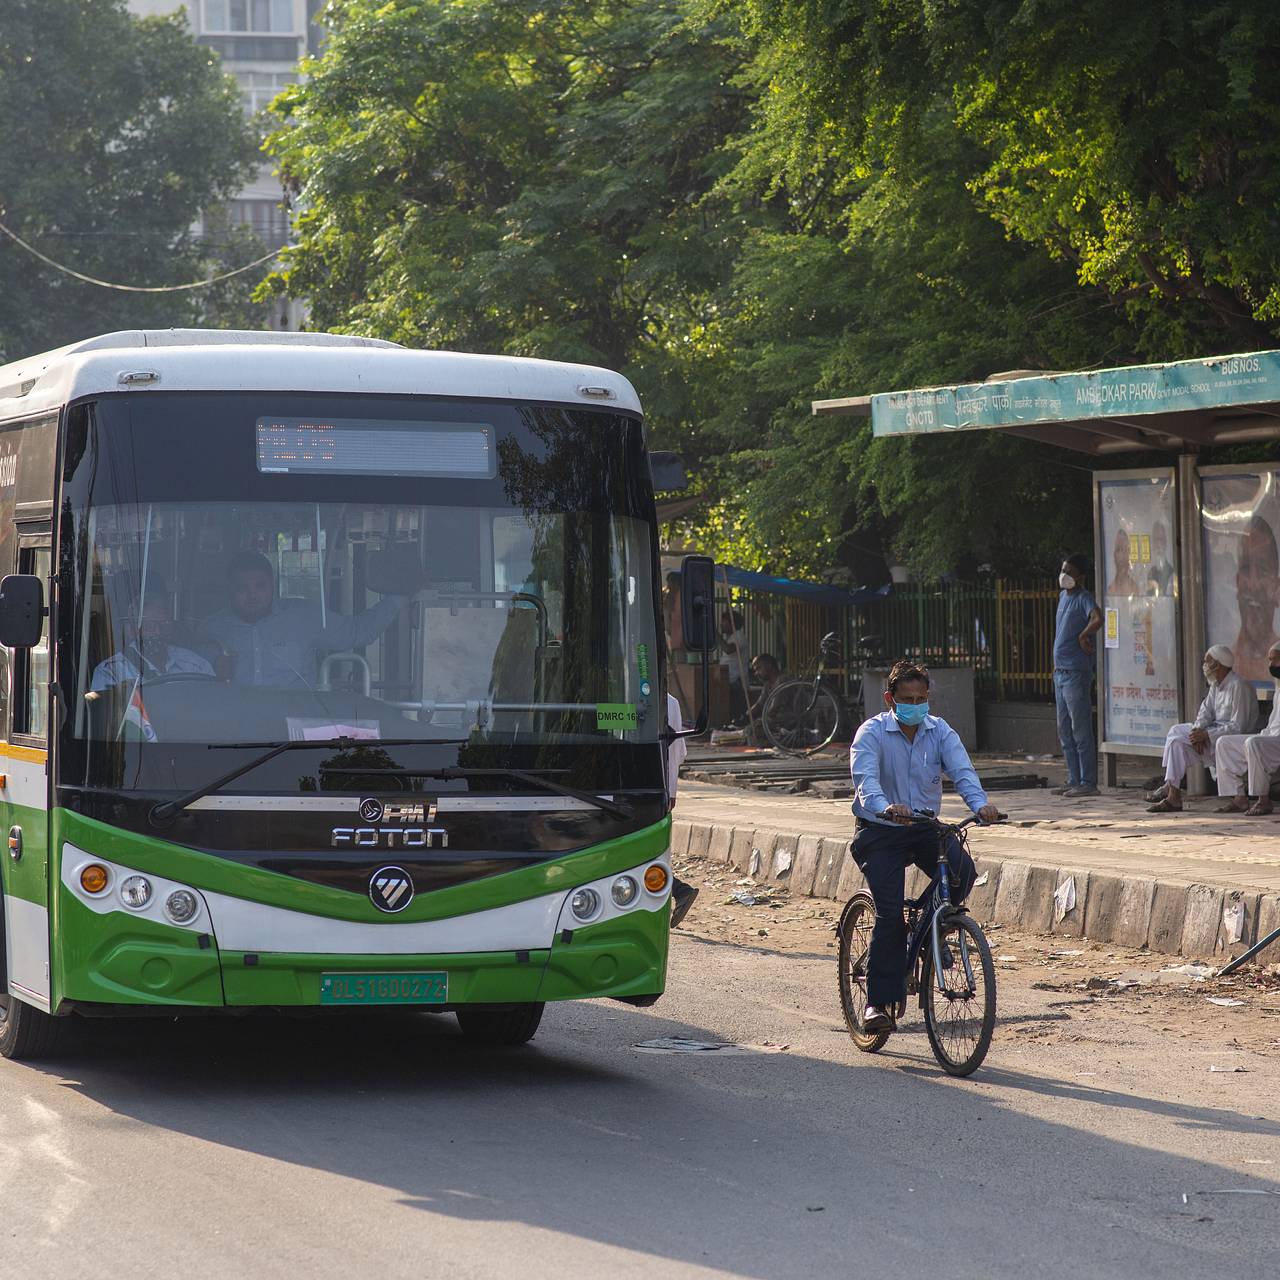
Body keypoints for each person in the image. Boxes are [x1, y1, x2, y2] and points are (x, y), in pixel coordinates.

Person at [850, 659, 999, 1033]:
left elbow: (962, 771)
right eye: (907, 698)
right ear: (890, 698)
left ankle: (931, 928)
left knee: (963, 873)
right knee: (889, 916)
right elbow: (866, 781)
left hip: (924, 828)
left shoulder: (939, 731)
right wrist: (885, 806)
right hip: (880, 829)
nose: (915, 705)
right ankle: (877, 1004)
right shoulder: (871, 733)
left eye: (921, 698)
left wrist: (980, 805)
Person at [199, 550, 408, 689]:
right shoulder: (211, 630)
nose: (252, 596)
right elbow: (191, 685)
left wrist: (401, 596)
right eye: (242, 588)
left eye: (260, 586)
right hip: (234, 732)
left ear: (273, 585)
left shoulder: (303, 616)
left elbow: (358, 632)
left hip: (294, 732)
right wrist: (212, 676)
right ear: (230, 590)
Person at [1146, 645, 1255, 813]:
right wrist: (1195, 734)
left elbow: (1237, 726)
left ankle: (1170, 787)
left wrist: (1206, 735)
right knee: (1176, 736)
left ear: (1218, 664)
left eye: (1208, 661)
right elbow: (1204, 713)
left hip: (1230, 740)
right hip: (1212, 737)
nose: (1204, 664)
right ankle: (1173, 794)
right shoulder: (1215, 686)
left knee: (1178, 740)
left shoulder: (1239, 686)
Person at [91, 578, 214, 692]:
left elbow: (213, 703)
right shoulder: (110, 671)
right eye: (149, 625)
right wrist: (124, 695)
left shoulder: (196, 665)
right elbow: (104, 711)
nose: (157, 632)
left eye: (164, 625)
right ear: (133, 630)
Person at [1052, 554, 1103, 798]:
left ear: (1081, 576)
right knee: (1064, 729)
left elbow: (1097, 618)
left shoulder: (1084, 598)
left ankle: (1088, 781)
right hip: (1059, 673)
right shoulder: (1063, 596)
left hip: (1076, 673)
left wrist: (1084, 636)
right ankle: (1073, 778)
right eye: (1063, 570)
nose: (1065, 576)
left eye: (1070, 572)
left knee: (1080, 729)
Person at [1215, 641, 1280, 816]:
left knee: (1254, 743)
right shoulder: (1278, 684)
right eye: (1269, 660)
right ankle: (1239, 798)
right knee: (1224, 743)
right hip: (1272, 736)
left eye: (1274, 660)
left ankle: (1263, 800)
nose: (1271, 665)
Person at [1231, 515, 1280, 684]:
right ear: (1237, 582)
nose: (1253, 584)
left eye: (1263, 570)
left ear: (1277, 587)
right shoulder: (1226, 666)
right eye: (1246, 568)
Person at [665, 691, 699, 928]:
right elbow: (679, 752)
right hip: (659, 791)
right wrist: (671, 790)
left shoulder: (666, 702)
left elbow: (674, 749)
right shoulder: (671, 702)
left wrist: (670, 791)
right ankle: (679, 890)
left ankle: (679, 889)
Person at [742, 652, 782, 738]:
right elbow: (760, 704)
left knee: (754, 730)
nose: (756, 673)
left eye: (759, 668)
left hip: (788, 720)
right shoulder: (767, 684)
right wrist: (746, 716)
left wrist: (760, 721)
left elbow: (773, 709)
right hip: (776, 721)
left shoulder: (782, 681)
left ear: (769, 665)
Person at [718, 608, 748, 723]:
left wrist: (715, 635)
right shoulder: (730, 637)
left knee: (736, 711)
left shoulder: (739, 637)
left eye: (724, 622)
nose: (721, 625)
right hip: (729, 679)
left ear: (732, 623)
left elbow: (728, 649)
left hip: (737, 681)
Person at [1107, 529, 1141, 597]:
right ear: (1114, 555)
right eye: (1118, 549)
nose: (1121, 555)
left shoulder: (1135, 589)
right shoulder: (1110, 589)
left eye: (1124, 550)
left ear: (1129, 554)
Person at [1146, 522, 1174, 597]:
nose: (1158, 544)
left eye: (1161, 539)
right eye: (1156, 540)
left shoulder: (1171, 573)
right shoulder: (1150, 572)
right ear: (1152, 543)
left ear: (1165, 542)